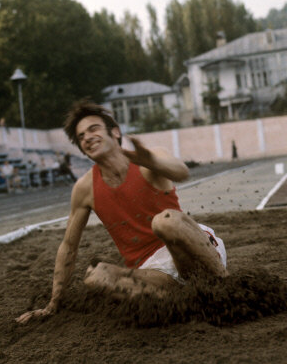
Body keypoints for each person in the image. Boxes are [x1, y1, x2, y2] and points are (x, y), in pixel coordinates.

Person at [16, 100, 227, 324]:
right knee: (96, 276)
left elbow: (182, 173)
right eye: (81, 136)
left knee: (164, 222)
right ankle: (185, 304)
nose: (87, 137)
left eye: (93, 129)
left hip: (191, 250)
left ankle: (226, 288)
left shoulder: (150, 157)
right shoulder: (85, 188)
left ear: (115, 132)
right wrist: (52, 304)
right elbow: (69, 246)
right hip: (154, 273)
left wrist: (153, 162)